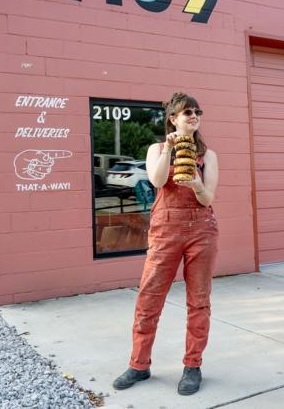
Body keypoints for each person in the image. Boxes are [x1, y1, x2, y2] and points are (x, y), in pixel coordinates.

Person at [113, 92, 219, 396]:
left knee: (198, 300)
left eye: (197, 111)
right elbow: (158, 181)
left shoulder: (208, 156)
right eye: (187, 112)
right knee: (149, 297)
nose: (194, 116)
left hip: (202, 229)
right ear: (173, 118)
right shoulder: (158, 148)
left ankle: (192, 365)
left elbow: (208, 198)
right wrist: (170, 149)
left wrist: (196, 183)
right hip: (165, 229)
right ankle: (139, 364)